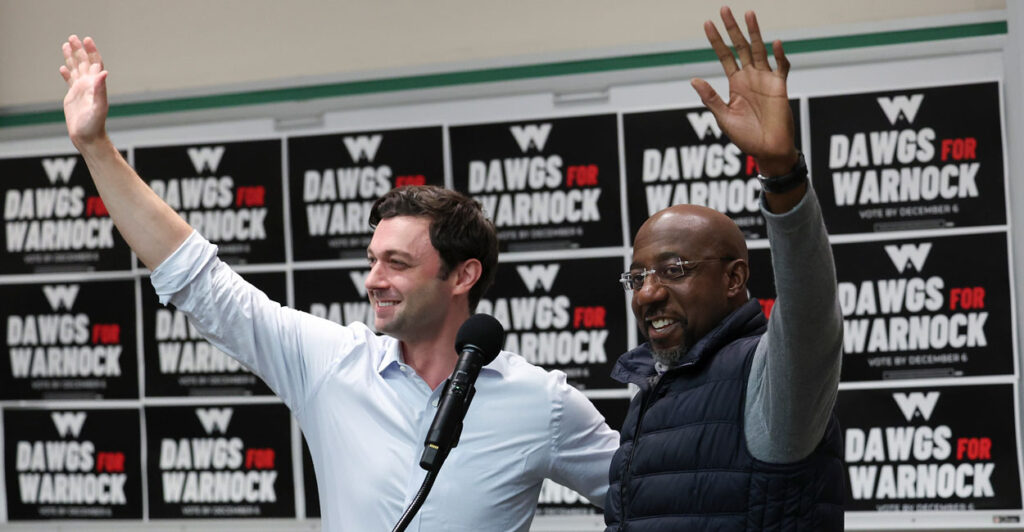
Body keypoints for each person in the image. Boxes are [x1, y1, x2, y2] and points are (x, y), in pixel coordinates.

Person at [58, 36, 618, 531]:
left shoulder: (540, 401)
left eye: (397, 263)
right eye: (372, 260)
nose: (374, 280)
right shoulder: (331, 365)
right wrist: (97, 149)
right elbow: (200, 281)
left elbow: (654, 493)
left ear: (462, 275)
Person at [604, 7, 844, 531]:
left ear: (734, 279)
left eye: (673, 269)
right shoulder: (655, 392)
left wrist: (782, 175)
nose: (647, 294)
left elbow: (810, 312)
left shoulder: (767, 380)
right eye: (638, 277)